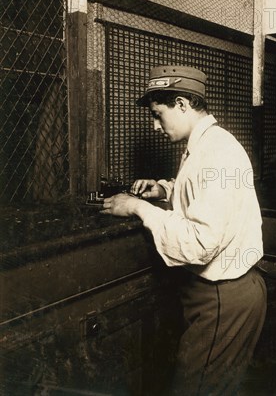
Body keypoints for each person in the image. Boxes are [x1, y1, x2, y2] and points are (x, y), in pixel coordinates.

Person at [103, 65, 267, 395]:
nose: (155, 125)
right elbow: (202, 190)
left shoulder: (215, 154)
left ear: (181, 104)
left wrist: (137, 207)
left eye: (157, 115)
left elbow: (200, 242)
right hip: (231, 291)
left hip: (222, 294)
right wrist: (165, 190)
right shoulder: (210, 144)